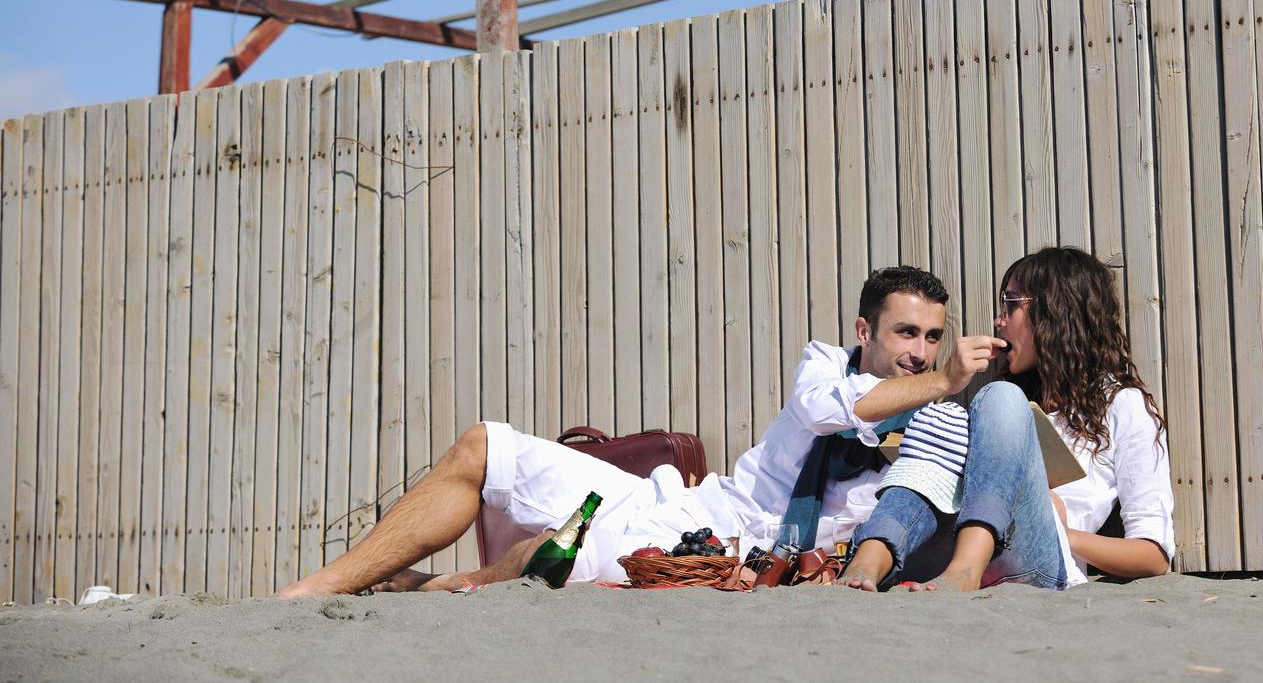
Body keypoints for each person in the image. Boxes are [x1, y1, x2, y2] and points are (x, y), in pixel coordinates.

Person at [276, 265, 1002, 597]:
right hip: (681, 503)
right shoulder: (827, 367)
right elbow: (824, 412)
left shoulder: (937, 422)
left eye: (933, 337)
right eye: (906, 330)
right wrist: (938, 381)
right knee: (483, 445)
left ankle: (438, 590)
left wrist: (941, 402)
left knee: (554, 552)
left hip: (712, 555)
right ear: (862, 331)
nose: (920, 347)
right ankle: (314, 590)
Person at [841, 247, 1174, 592]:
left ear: (1055, 312)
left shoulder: (1121, 404)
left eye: (1011, 305)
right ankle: (869, 560)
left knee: (1000, 396)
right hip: (951, 546)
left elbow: (1154, 556)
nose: (999, 321)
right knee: (944, 417)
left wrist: (1063, 530)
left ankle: (964, 569)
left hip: (1037, 562)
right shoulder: (1016, 397)